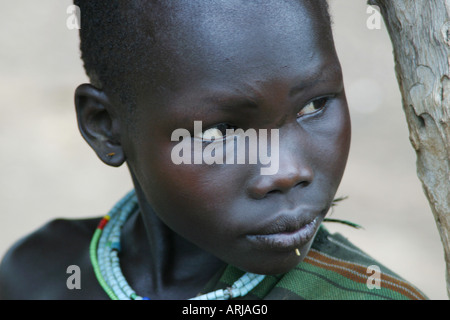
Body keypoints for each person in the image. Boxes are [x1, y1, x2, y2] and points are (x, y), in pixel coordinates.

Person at [0, 0, 427, 300]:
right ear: (105, 127)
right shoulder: (39, 273)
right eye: (221, 131)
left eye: (314, 105)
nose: (287, 171)